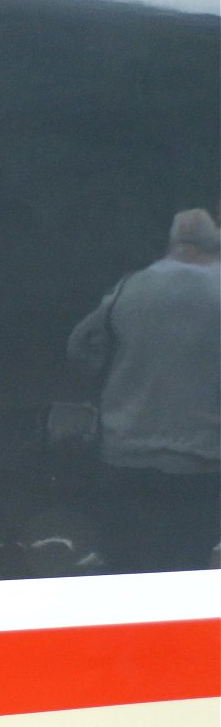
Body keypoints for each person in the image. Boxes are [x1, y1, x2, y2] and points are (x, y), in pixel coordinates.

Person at [66, 207, 221, 571]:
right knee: (188, 569)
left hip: (124, 455)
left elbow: (79, 347)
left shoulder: (130, 287)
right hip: (199, 462)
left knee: (129, 567)